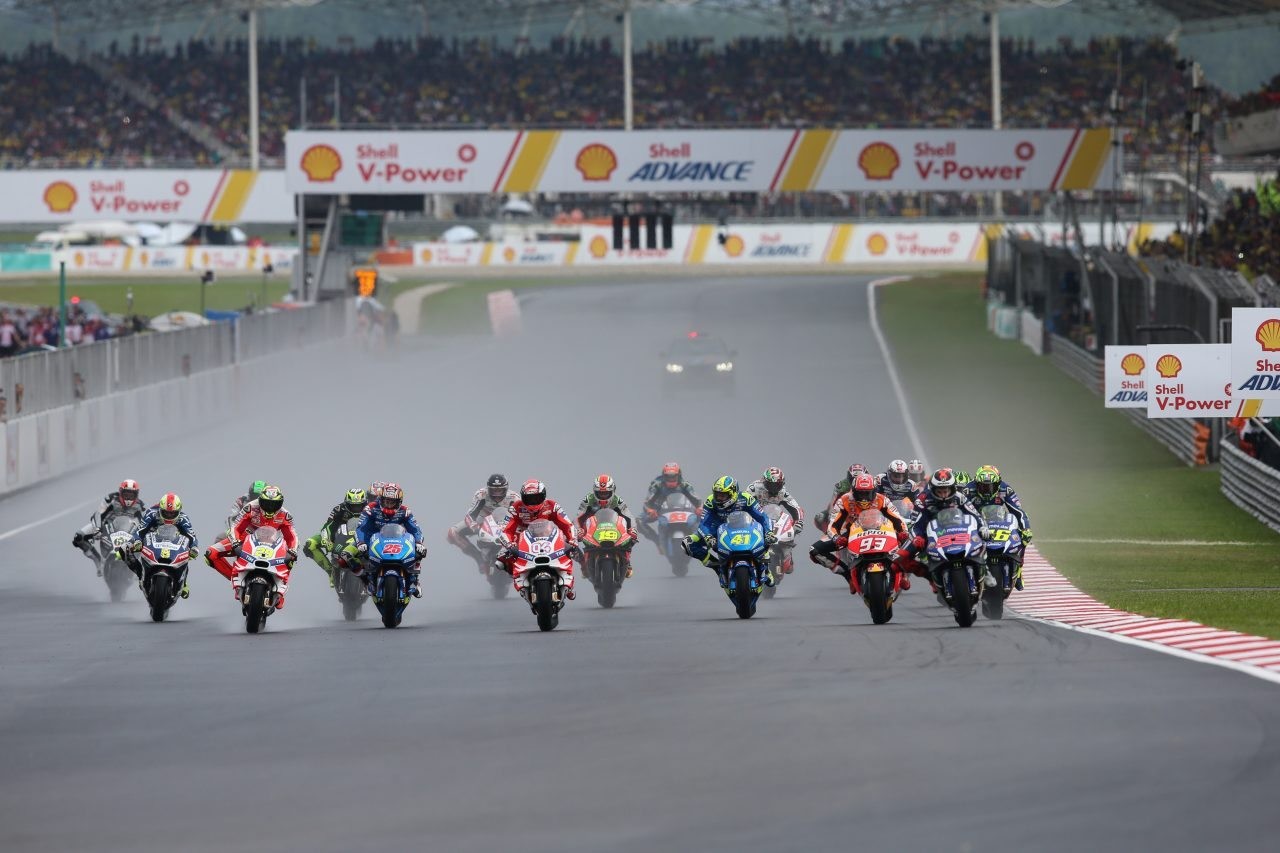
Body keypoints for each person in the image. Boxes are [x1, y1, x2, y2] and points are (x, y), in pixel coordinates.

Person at [810, 473, 910, 588]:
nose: (864, 498)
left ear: (874, 491)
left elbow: (898, 519)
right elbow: (833, 524)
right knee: (815, 550)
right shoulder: (844, 500)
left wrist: (903, 532)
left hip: (881, 529)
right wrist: (836, 537)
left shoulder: (882, 499)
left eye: (867, 493)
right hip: (852, 531)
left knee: (907, 539)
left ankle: (902, 572)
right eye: (860, 493)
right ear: (853, 491)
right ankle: (848, 576)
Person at [893, 468, 988, 584]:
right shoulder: (922, 500)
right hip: (929, 533)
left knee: (985, 538)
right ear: (933, 489)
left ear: (952, 488)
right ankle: (929, 576)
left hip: (959, 530)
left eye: (946, 491)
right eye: (940, 491)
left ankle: (985, 569)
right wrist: (918, 537)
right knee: (900, 558)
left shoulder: (960, 497)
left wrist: (982, 527)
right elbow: (915, 524)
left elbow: (975, 515)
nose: (943, 495)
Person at [207, 485, 298, 600]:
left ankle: (279, 593)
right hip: (246, 539)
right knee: (211, 553)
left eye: (274, 504)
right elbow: (236, 527)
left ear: (281, 503)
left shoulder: (285, 515)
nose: (270, 507)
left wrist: (293, 550)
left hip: (273, 543)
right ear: (260, 500)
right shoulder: (250, 507)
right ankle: (237, 581)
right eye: (266, 503)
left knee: (290, 559)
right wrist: (235, 542)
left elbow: (292, 536)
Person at [681, 475, 776, 586]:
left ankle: (766, 569)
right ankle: (716, 566)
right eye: (717, 494)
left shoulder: (746, 498)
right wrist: (708, 536)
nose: (718, 498)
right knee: (688, 543)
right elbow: (703, 523)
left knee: (767, 536)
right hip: (716, 530)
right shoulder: (711, 501)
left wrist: (769, 532)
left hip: (745, 528)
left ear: (733, 493)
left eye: (723, 495)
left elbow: (763, 517)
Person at [495, 480, 579, 599]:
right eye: (529, 499)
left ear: (543, 496)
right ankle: (521, 580)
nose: (533, 502)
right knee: (501, 559)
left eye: (536, 498)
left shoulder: (552, 505)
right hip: (522, 538)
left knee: (572, 550)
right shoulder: (515, 508)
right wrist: (509, 544)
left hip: (548, 537)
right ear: (523, 498)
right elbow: (505, 529)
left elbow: (567, 524)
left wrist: (572, 539)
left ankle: (568, 584)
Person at [346, 483, 427, 598]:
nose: (388, 505)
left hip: (396, 539)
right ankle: (365, 580)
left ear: (398, 502)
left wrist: (419, 543)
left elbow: (415, 529)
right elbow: (361, 528)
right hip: (369, 540)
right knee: (346, 556)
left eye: (392, 502)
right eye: (386, 501)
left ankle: (414, 580)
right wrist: (361, 543)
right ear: (381, 499)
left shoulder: (405, 511)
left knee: (419, 551)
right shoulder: (370, 508)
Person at [121, 492, 199, 599]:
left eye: (172, 513)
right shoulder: (151, 513)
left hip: (174, 543)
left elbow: (192, 536)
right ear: (160, 509)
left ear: (179, 511)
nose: (169, 516)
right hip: (152, 541)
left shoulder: (183, 518)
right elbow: (139, 530)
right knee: (124, 548)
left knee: (186, 552)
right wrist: (136, 541)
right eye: (166, 513)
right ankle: (141, 574)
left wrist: (194, 547)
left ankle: (183, 583)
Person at [971, 465, 1033, 590]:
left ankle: (1019, 570)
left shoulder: (1006, 489)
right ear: (976, 484)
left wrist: (1026, 529)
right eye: (983, 486)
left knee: (1023, 537)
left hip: (998, 519)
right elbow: (960, 512)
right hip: (977, 520)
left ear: (998, 484)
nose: (987, 491)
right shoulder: (968, 490)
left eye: (990, 486)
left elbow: (1018, 511)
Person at [72, 478, 145, 573]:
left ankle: (138, 568)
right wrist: (97, 528)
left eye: (131, 495)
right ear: (121, 492)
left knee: (144, 542)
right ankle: (99, 562)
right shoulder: (110, 499)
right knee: (78, 537)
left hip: (128, 530)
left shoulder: (140, 505)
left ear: (136, 495)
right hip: (105, 526)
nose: (128, 498)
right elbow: (98, 514)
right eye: (126, 494)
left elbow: (143, 522)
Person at [446, 473, 516, 570]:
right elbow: (470, 514)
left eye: (500, 490)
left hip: (505, 524)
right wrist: (474, 525)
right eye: (493, 490)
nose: (497, 494)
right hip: (483, 521)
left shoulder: (514, 497)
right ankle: (479, 558)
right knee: (452, 532)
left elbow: (520, 517)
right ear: (488, 488)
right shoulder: (481, 494)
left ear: (506, 489)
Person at [575, 474, 639, 578]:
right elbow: (578, 517)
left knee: (632, 537)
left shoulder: (618, 501)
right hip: (592, 528)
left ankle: (627, 561)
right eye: (600, 493)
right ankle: (585, 564)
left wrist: (633, 529)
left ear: (613, 491)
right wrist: (579, 530)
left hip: (614, 528)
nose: (603, 496)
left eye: (606, 493)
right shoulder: (588, 499)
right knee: (571, 538)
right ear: (594, 492)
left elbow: (629, 517)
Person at [302, 488, 368, 588]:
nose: (356, 509)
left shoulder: (370, 509)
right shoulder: (339, 509)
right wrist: (326, 539)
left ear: (364, 504)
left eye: (359, 506)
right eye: (353, 506)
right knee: (310, 544)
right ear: (346, 503)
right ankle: (330, 571)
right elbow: (328, 525)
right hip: (339, 536)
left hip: (362, 537)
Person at [745, 467, 803, 575]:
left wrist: (799, 521)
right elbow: (743, 503)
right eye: (770, 485)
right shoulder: (754, 488)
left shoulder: (783, 492)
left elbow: (796, 508)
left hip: (774, 520)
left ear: (782, 484)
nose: (773, 489)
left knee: (783, 516)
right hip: (756, 519)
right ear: (764, 481)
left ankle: (786, 551)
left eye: (777, 485)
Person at [639, 462, 700, 542]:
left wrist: (699, 508)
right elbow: (647, 502)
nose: (671, 480)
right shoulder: (656, 485)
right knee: (639, 521)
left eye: (674, 477)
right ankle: (657, 541)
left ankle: (697, 541)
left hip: (684, 510)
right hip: (659, 510)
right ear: (664, 477)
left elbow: (697, 500)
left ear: (679, 476)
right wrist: (650, 510)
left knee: (701, 517)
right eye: (668, 477)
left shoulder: (685, 485)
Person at [813, 463, 869, 531]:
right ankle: (831, 533)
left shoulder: (873, 483)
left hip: (865, 511)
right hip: (847, 511)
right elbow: (833, 505)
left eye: (860, 479)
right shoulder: (841, 486)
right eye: (854, 479)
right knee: (820, 517)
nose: (857, 482)